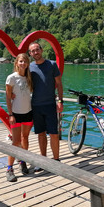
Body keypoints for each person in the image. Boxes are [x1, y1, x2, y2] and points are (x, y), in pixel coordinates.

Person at [28, 42, 63, 172]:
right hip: (36, 105)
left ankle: (56, 160)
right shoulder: (29, 67)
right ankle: (43, 161)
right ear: (30, 54)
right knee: (41, 134)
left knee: (53, 133)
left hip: (50, 105)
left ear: (41, 50)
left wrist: (60, 100)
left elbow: (59, 84)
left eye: (37, 49)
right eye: (33, 51)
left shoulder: (52, 64)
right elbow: (22, 82)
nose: (35, 52)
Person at [5, 53, 34, 182]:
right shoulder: (11, 78)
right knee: (16, 142)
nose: (23, 64)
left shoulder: (30, 78)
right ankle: (9, 168)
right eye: (21, 61)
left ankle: (22, 161)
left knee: (25, 138)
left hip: (28, 112)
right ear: (16, 63)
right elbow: (7, 97)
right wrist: (10, 114)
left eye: (25, 61)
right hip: (16, 114)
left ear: (28, 64)